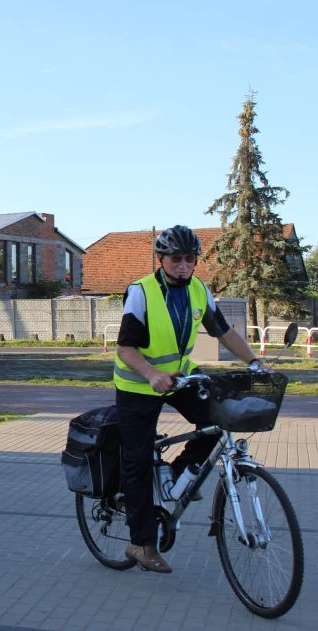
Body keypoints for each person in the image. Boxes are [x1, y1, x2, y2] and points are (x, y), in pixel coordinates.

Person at [113, 225, 263, 574]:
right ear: (161, 259)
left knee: (219, 418)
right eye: (176, 258)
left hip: (180, 377)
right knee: (136, 461)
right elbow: (125, 348)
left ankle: (181, 474)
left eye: (189, 259)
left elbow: (224, 332)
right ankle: (141, 543)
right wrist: (151, 375)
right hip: (138, 385)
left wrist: (254, 362)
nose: (183, 265)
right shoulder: (141, 292)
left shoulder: (199, 290)